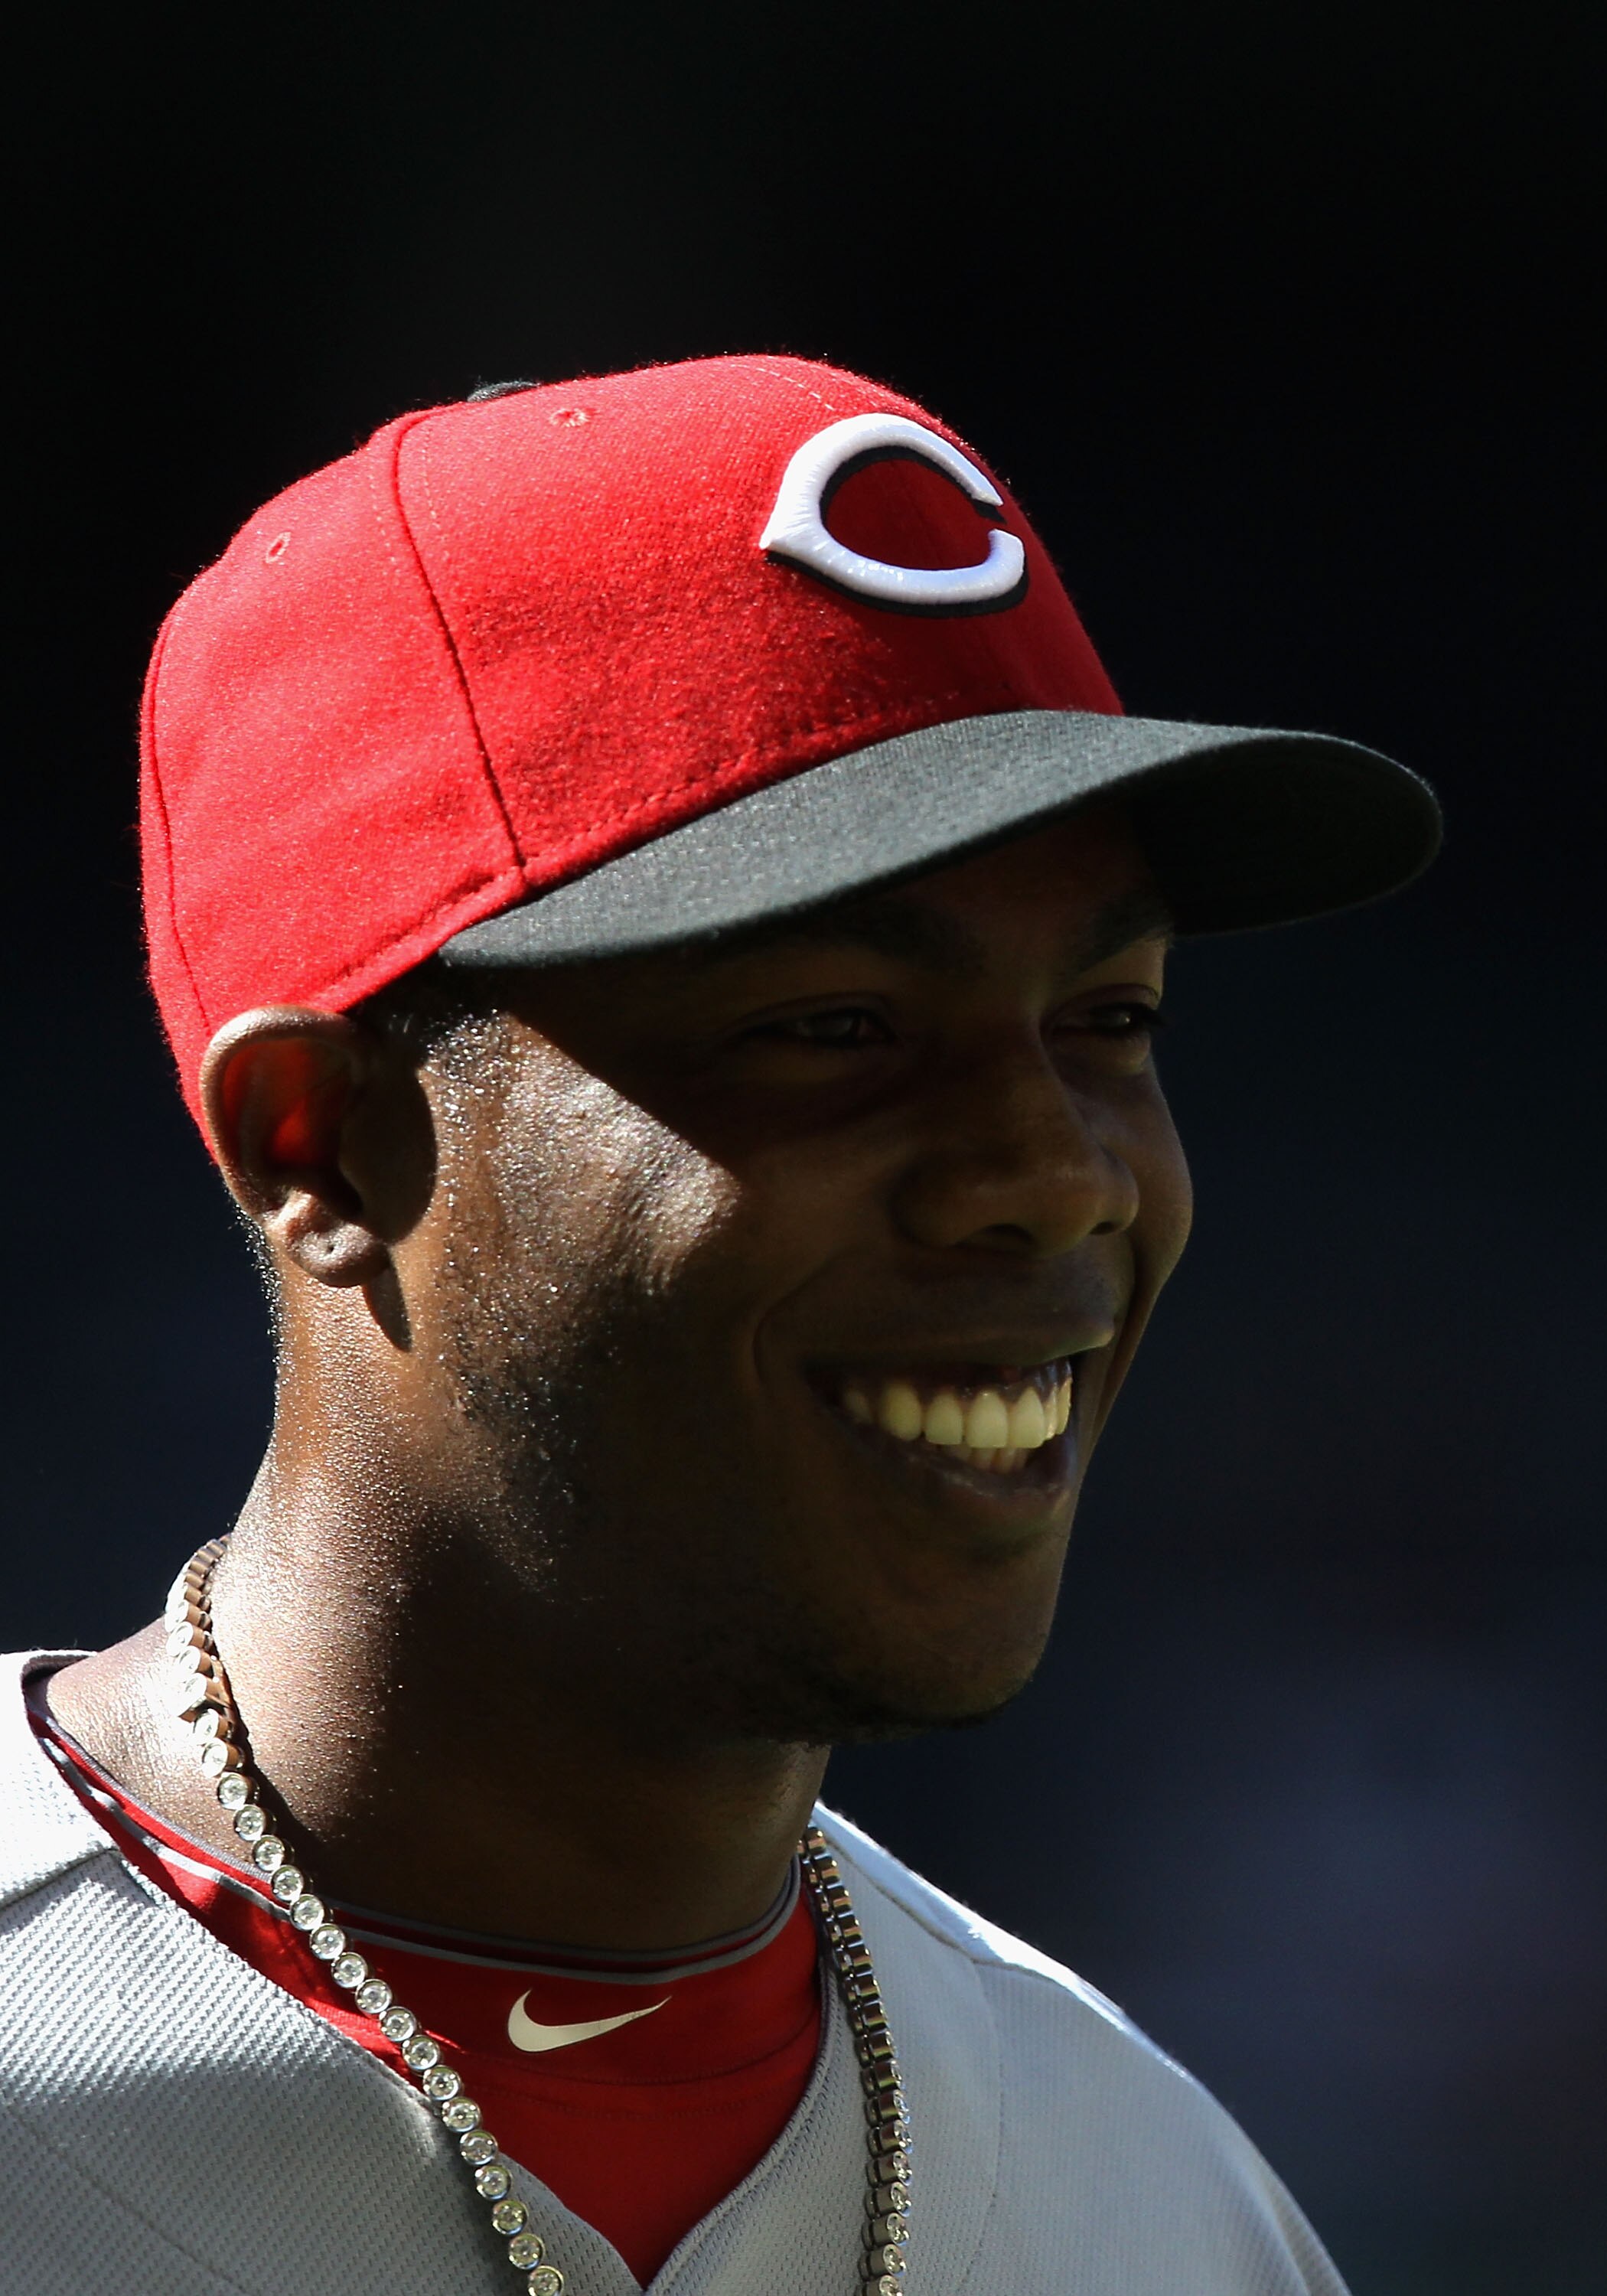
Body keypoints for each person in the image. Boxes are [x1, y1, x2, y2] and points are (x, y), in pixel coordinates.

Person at [0, 354, 1439, 2296]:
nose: (1054, 1172)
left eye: (1111, 1020)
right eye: (834, 1028)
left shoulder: (1161, 2204)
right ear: (318, 1140)